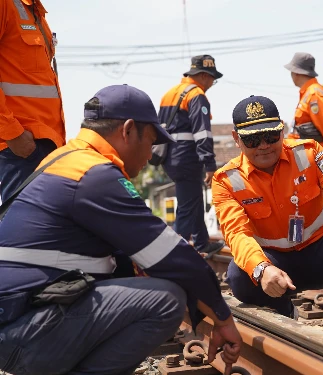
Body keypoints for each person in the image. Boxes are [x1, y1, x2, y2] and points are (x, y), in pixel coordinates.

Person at [0, 84, 241, 375]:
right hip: (20, 334)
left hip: (17, 321)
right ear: (128, 130)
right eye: (150, 142)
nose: (150, 156)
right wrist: (223, 319)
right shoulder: (93, 175)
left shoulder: (65, 159)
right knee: (165, 300)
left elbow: (123, 256)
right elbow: (172, 255)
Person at [212, 95, 323, 339]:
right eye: (252, 139)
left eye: (271, 136)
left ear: (283, 129)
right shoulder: (226, 181)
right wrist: (262, 269)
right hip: (276, 268)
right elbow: (237, 234)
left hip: (322, 258)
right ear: (237, 139)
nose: (263, 145)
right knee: (239, 274)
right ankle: (282, 311)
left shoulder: (309, 153)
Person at [159, 55, 225, 255]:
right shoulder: (196, 95)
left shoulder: (170, 94)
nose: (213, 83)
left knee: (193, 199)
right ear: (204, 75)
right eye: (212, 78)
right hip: (187, 157)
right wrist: (210, 164)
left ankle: (202, 243)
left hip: (170, 157)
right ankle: (175, 254)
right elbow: (202, 133)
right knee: (187, 208)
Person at [0, 0, 65, 202]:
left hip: (46, 146)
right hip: (20, 148)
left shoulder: (34, 11)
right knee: (24, 230)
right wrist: (14, 135)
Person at [284, 52, 323, 173]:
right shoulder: (307, 93)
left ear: (296, 72)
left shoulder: (314, 94)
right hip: (308, 157)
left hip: (319, 158)